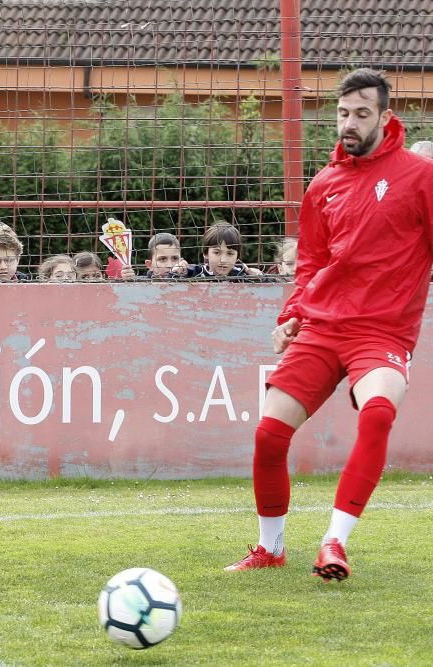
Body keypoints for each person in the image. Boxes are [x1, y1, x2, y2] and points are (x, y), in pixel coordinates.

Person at [225, 68, 433, 581]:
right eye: (343, 114)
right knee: (270, 434)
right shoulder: (323, 185)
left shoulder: (419, 176)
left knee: (379, 412)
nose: (349, 124)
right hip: (322, 328)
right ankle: (270, 548)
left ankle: (334, 541)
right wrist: (292, 316)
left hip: (382, 333)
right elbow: (312, 264)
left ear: (385, 117)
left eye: (362, 114)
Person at [184, 222, 263, 278]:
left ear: (237, 257)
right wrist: (176, 272)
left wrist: (261, 277)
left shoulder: (242, 275)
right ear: (205, 253)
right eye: (217, 252)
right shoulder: (193, 273)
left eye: (230, 253)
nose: (223, 260)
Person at [120, 233, 189, 279]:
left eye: (175, 258)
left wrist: (188, 271)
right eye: (162, 259)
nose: (170, 265)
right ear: (149, 265)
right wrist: (130, 281)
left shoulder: (191, 277)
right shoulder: (142, 284)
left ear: (181, 261)